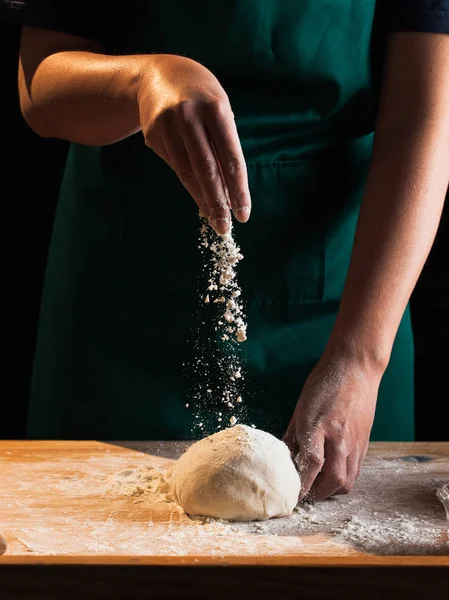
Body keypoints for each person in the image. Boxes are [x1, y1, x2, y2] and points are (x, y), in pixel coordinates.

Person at [1, 0, 448, 502]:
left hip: (350, 301)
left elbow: (423, 120)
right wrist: (144, 81)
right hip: (123, 312)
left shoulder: (358, 346)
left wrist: (361, 359)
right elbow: (40, 82)